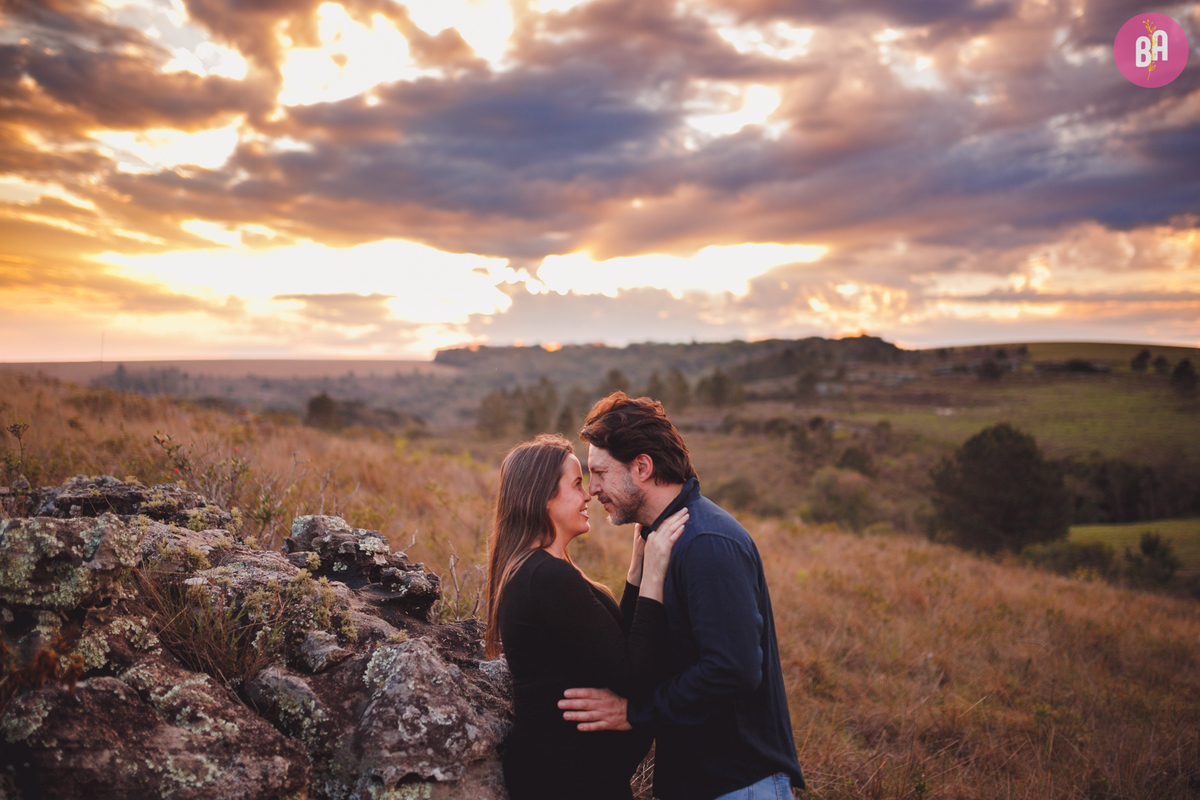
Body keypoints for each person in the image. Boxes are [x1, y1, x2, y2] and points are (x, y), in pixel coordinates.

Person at [558, 393, 805, 800]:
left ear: (641, 466)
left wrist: (634, 713)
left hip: (738, 785)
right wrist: (637, 578)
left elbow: (734, 669)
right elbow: (642, 653)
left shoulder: (707, 542)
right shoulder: (663, 540)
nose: (593, 489)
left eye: (599, 472)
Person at [485, 433, 689, 800]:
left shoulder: (543, 571)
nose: (588, 495)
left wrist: (635, 573)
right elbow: (631, 672)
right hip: (567, 782)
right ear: (543, 496)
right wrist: (655, 578)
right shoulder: (546, 578)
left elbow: (613, 643)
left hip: (574, 778)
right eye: (577, 484)